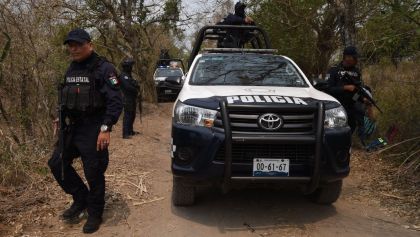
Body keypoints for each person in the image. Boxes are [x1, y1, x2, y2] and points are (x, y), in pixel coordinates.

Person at [48, 28, 122, 234]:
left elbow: (115, 101)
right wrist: (60, 118)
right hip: (74, 127)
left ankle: (95, 213)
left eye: (78, 44)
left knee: (94, 172)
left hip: (94, 127)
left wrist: (106, 128)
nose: (74, 48)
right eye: (71, 45)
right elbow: (67, 99)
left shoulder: (104, 68)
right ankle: (81, 199)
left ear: (90, 44)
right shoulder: (71, 69)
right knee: (56, 162)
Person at [326, 46, 372, 144]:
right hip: (337, 106)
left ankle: (357, 142)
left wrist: (362, 99)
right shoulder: (334, 70)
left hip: (351, 105)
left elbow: (355, 93)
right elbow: (328, 89)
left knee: (354, 122)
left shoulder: (356, 72)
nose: (356, 60)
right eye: (354, 57)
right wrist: (345, 88)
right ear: (347, 57)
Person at [120, 58, 140, 139]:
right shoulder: (123, 76)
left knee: (132, 114)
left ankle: (130, 131)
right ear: (127, 67)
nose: (132, 68)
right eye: (130, 66)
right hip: (127, 98)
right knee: (128, 115)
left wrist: (136, 86)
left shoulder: (128, 75)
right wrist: (136, 89)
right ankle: (125, 134)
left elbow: (135, 84)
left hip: (132, 98)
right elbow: (128, 87)